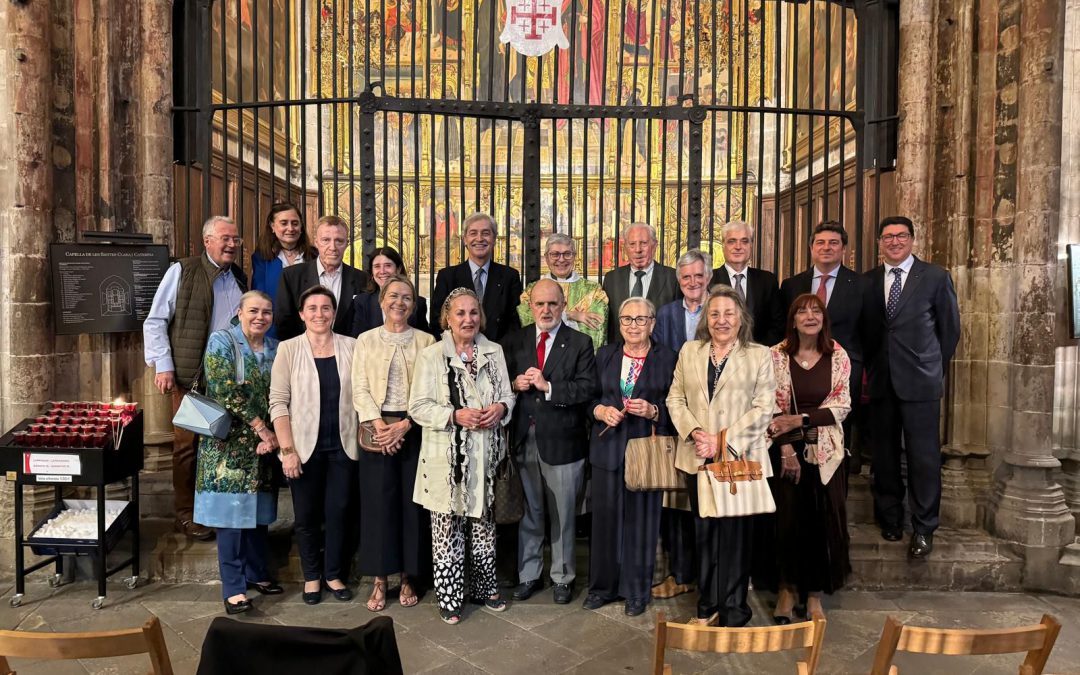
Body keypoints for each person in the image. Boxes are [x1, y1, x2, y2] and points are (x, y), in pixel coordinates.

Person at [667, 286, 775, 626]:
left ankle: (733, 611)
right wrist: (697, 434)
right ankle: (707, 607)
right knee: (704, 536)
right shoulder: (690, 351)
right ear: (705, 318)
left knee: (735, 539)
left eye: (729, 313)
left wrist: (722, 441)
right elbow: (675, 399)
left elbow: (763, 408)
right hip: (698, 457)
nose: (721, 320)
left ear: (741, 318)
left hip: (737, 460)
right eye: (714, 314)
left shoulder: (758, 355)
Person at [409, 288, 515, 625]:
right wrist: (455, 415)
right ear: (447, 318)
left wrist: (500, 407)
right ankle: (450, 598)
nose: (468, 319)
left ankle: (485, 590)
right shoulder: (432, 355)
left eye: (473, 313)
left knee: (483, 527)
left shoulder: (493, 350)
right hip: (445, 459)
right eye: (460, 313)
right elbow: (417, 407)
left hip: (485, 455)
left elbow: (508, 396)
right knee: (447, 530)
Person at [144, 215, 246, 541]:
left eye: (235, 239)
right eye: (225, 238)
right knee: (187, 447)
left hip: (228, 379)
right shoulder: (183, 271)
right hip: (193, 378)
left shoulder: (239, 278)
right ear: (207, 241)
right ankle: (186, 515)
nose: (231, 244)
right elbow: (156, 319)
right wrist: (163, 365)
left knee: (220, 446)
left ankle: (215, 510)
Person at [863, 216, 960, 558]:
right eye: (887, 236)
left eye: (900, 236)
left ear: (912, 239)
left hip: (921, 382)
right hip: (881, 381)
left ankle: (924, 527)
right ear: (879, 242)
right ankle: (891, 518)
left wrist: (930, 365)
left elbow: (949, 332)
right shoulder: (869, 281)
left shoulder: (934, 277)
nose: (894, 241)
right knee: (885, 456)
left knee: (923, 458)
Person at [502, 279, 598, 605]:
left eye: (553, 304)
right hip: (523, 440)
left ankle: (563, 576)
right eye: (540, 304)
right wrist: (514, 384)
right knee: (530, 513)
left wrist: (549, 386)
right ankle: (529, 575)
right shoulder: (514, 340)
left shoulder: (580, 342)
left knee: (563, 514)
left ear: (563, 306)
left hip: (563, 442)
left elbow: (586, 389)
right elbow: (498, 384)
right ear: (530, 306)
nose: (546, 310)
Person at [583, 298, 677, 617]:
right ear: (618, 324)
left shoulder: (667, 358)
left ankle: (636, 590)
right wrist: (600, 410)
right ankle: (602, 588)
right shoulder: (604, 354)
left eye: (641, 319)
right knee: (606, 520)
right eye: (627, 320)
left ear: (652, 323)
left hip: (646, 451)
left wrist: (654, 411)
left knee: (642, 522)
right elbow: (589, 398)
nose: (633, 326)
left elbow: (678, 404)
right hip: (608, 450)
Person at [763, 293, 852, 623]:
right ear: (793, 319)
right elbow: (770, 407)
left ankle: (814, 595)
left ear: (824, 319)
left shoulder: (837, 355)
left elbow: (842, 406)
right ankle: (786, 589)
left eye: (816, 311)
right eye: (802, 311)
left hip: (826, 453)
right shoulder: (776, 356)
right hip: (784, 451)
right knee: (788, 522)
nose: (810, 316)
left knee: (822, 523)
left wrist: (800, 420)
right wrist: (786, 447)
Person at [268, 285, 359, 605]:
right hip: (303, 449)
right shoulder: (289, 349)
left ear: (334, 313)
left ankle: (333, 574)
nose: (320, 314)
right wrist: (287, 450)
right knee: (306, 516)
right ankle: (311, 577)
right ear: (302, 314)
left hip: (344, 446)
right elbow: (278, 403)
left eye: (326, 308)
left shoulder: (352, 346)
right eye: (313, 308)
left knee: (339, 513)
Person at [193, 291, 281, 615]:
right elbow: (223, 389)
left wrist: (273, 436)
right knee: (230, 519)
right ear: (240, 312)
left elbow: (281, 391)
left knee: (257, 516)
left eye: (267, 312)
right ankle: (233, 588)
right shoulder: (222, 341)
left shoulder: (275, 348)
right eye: (254, 311)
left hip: (264, 445)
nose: (260, 317)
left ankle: (257, 573)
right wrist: (261, 427)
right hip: (228, 444)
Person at [351, 276, 435, 612]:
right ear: (381, 301)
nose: (400, 302)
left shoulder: (427, 341)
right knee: (377, 507)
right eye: (393, 296)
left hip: (413, 427)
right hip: (376, 427)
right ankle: (380, 578)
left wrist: (404, 425)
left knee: (411, 506)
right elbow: (359, 388)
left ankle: (408, 575)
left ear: (414, 306)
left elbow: (432, 389)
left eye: (407, 298)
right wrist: (379, 427)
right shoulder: (365, 340)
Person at [780, 221, 870, 458]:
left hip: (842, 373)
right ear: (811, 248)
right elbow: (784, 330)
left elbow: (870, 333)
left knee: (839, 440)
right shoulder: (791, 285)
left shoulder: (862, 285)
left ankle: (836, 488)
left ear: (844, 249)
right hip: (799, 371)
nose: (826, 247)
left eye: (833, 243)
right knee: (797, 432)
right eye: (820, 242)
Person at [652, 249, 711, 600]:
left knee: (709, 502)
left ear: (708, 278)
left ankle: (708, 574)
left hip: (713, 421)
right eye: (686, 278)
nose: (692, 283)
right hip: (676, 417)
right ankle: (681, 572)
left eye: (698, 277)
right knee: (676, 503)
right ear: (679, 281)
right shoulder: (666, 314)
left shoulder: (720, 311)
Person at [430, 212, 523, 342]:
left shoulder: (509, 277)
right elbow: (437, 321)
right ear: (464, 239)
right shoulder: (448, 277)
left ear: (494, 239)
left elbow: (514, 322)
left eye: (485, 233)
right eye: (473, 233)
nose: (479, 239)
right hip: (457, 353)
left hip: (498, 353)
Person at [275, 215, 370, 340]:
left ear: (347, 243)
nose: (333, 247)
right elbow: (284, 323)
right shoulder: (291, 276)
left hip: (348, 354)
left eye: (339, 241)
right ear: (316, 242)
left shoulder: (362, 279)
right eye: (326, 240)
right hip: (303, 354)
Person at [516, 233, 609, 351]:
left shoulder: (594, 291)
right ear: (546, 257)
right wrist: (571, 315)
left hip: (580, 357)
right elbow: (528, 322)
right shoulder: (532, 291)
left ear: (575, 256)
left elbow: (597, 329)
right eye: (555, 254)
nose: (561, 259)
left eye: (567, 254)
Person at [709, 220, 785, 346]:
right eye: (732, 241)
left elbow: (778, 325)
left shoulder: (767, 280)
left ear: (751, 245)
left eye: (744, 241)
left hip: (758, 356)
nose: (738, 247)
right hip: (719, 354)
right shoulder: (709, 280)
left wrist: (757, 352)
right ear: (723, 245)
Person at [602, 223, 680, 344]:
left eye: (644, 243)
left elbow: (676, 324)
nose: (638, 250)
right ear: (625, 247)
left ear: (654, 246)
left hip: (659, 354)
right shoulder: (611, 279)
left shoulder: (672, 278)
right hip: (621, 356)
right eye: (632, 244)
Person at [252, 202, 316, 339]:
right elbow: (259, 295)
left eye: (295, 223)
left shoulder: (314, 256)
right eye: (284, 223)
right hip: (274, 331)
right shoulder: (261, 258)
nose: (290, 228)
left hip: (310, 330)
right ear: (272, 226)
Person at [349, 246, 431, 336]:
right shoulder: (362, 302)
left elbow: (423, 339)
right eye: (377, 266)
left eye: (388, 265)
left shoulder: (419, 303)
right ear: (372, 272)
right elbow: (357, 338)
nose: (382, 271)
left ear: (398, 269)